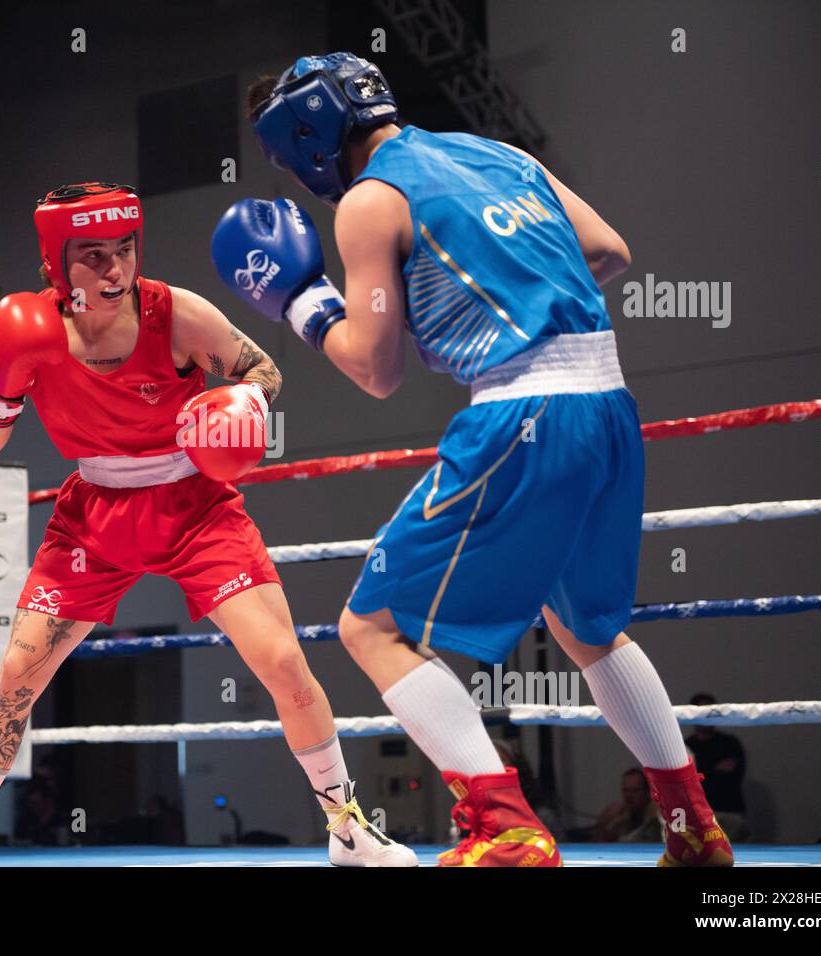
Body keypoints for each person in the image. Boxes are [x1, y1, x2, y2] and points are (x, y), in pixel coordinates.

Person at [213, 53, 732, 867]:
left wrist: (304, 304)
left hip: (523, 413)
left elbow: (377, 370)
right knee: (588, 628)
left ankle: (506, 829)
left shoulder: (370, 203)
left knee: (371, 626)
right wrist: (479, 302)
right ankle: (692, 828)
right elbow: (610, 251)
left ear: (304, 136)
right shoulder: (500, 155)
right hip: (609, 404)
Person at [0, 182, 415, 867]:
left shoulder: (175, 315)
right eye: (94, 256)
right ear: (56, 264)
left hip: (194, 504)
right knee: (18, 672)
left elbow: (262, 367)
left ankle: (349, 830)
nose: (116, 268)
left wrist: (240, 406)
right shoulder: (30, 331)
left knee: (284, 661)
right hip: (93, 515)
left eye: (125, 249)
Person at [685, 692, 752, 841]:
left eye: (711, 712)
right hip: (697, 815)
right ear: (692, 714)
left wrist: (702, 772)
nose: (708, 717)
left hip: (729, 811)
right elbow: (688, 784)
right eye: (703, 712)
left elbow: (734, 777)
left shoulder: (730, 743)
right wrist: (713, 771)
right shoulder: (685, 746)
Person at [593, 769, 664, 843]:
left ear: (647, 791)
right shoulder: (616, 813)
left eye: (635, 790)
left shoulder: (657, 813)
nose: (629, 795)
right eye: (626, 790)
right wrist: (606, 827)